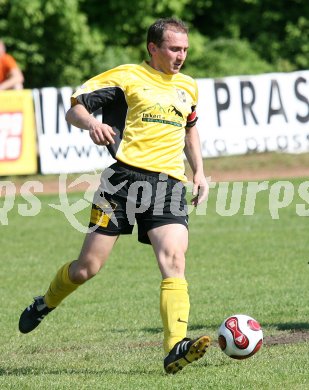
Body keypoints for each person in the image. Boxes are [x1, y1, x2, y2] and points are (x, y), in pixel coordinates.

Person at [18, 17, 211, 374]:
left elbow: (190, 130)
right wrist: (92, 123)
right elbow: (74, 108)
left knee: (174, 260)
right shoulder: (126, 77)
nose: (180, 56)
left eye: (184, 49)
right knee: (86, 269)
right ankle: (45, 303)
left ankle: (174, 347)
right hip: (123, 181)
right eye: (173, 49)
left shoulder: (188, 87)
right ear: (153, 48)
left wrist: (198, 170)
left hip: (168, 184)